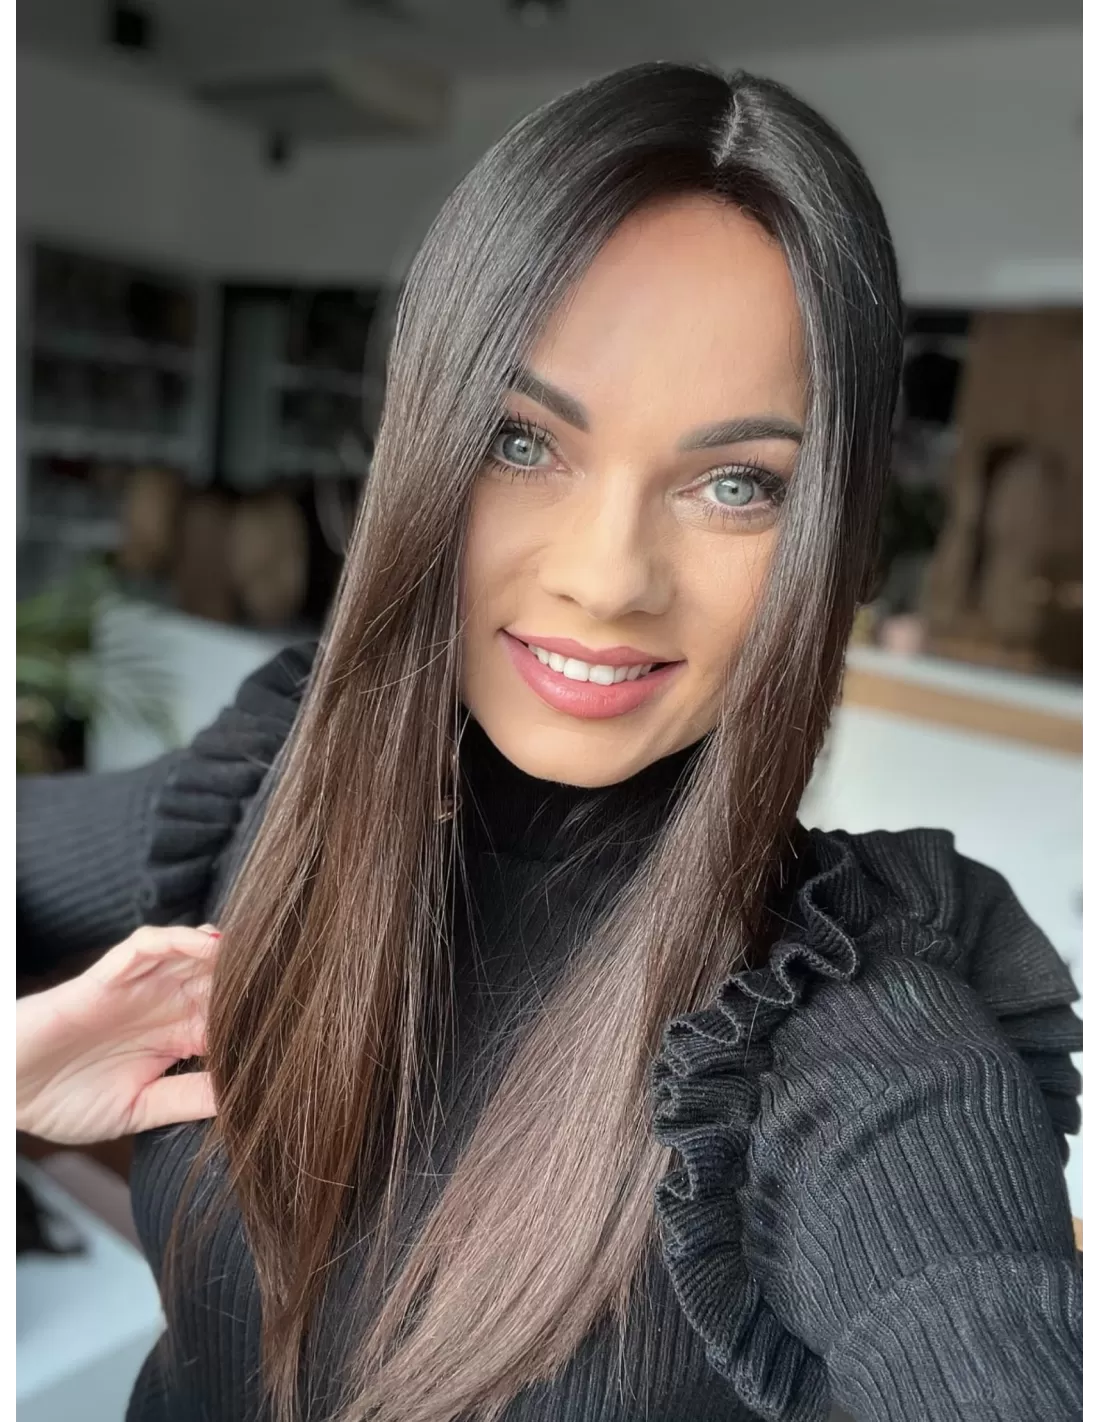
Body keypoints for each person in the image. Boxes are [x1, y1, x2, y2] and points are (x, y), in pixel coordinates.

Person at [15, 64, 1082, 1422]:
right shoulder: (275, 797)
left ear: (836, 537)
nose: (606, 576)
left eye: (737, 483)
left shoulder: (851, 1046)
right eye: (524, 442)